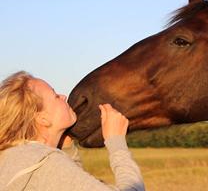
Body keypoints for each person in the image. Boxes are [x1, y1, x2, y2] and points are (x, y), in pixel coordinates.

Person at [0, 71, 145, 191]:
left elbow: (69, 183)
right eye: (55, 96)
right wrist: (116, 142)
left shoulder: (14, 157)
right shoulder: (46, 162)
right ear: (43, 119)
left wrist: (67, 147)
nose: (63, 96)